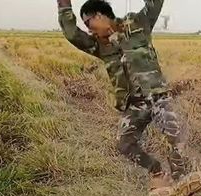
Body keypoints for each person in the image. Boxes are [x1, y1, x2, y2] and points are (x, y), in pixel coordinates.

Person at [56, 0, 189, 185]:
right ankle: (157, 171)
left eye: (88, 23)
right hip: (134, 104)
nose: (88, 30)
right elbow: (71, 33)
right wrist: (63, 4)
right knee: (125, 145)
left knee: (175, 137)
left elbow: (155, 3)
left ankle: (181, 182)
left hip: (158, 96)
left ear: (100, 15)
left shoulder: (137, 23)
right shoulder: (99, 45)